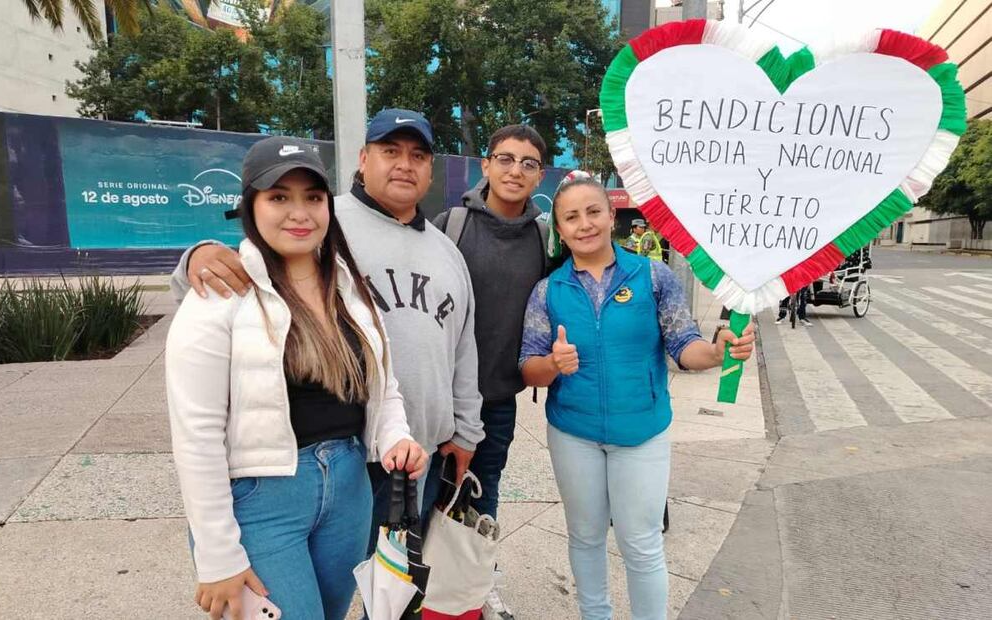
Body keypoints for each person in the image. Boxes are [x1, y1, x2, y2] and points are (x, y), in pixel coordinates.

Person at [168, 109, 484, 554]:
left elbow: (463, 346)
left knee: (395, 589)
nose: (404, 164)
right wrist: (197, 256)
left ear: (431, 168)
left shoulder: (446, 250)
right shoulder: (325, 226)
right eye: (389, 150)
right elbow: (246, 269)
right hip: (348, 452)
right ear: (363, 158)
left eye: (418, 155)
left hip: (418, 454)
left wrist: (464, 429)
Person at [165, 137, 428, 620]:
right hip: (262, 502)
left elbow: (382, 387)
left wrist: (396, 436)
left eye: (312, 197)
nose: (299, 212)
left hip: (349, 489)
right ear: (251, 206)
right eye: (279, 197)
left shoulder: (350, 288)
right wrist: (217, 552)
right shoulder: (220, 292)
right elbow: (195, 433)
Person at [519, 172, 755, 620]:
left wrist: (720, 351)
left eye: (593, 212)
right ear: (560, 229)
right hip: (574, 433)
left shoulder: (652, 276)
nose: (584, 224)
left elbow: (685, 346)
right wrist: (553, 365)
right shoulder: (548, 290)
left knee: (641, 544)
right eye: (571, 217)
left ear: (613, 216)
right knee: (585, 537)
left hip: (642, 433)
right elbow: (528, 366)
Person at [431, 124, 550, 618]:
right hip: (437, 395)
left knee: (484, 493)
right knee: (422, 493)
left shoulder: (547, 236)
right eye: (505, 158)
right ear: (486, 166)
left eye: (527, 163)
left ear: (539, 175)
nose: (514, 170)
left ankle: (477, 584)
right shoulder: (448, 225)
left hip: (498, 397)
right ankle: (416, 583)